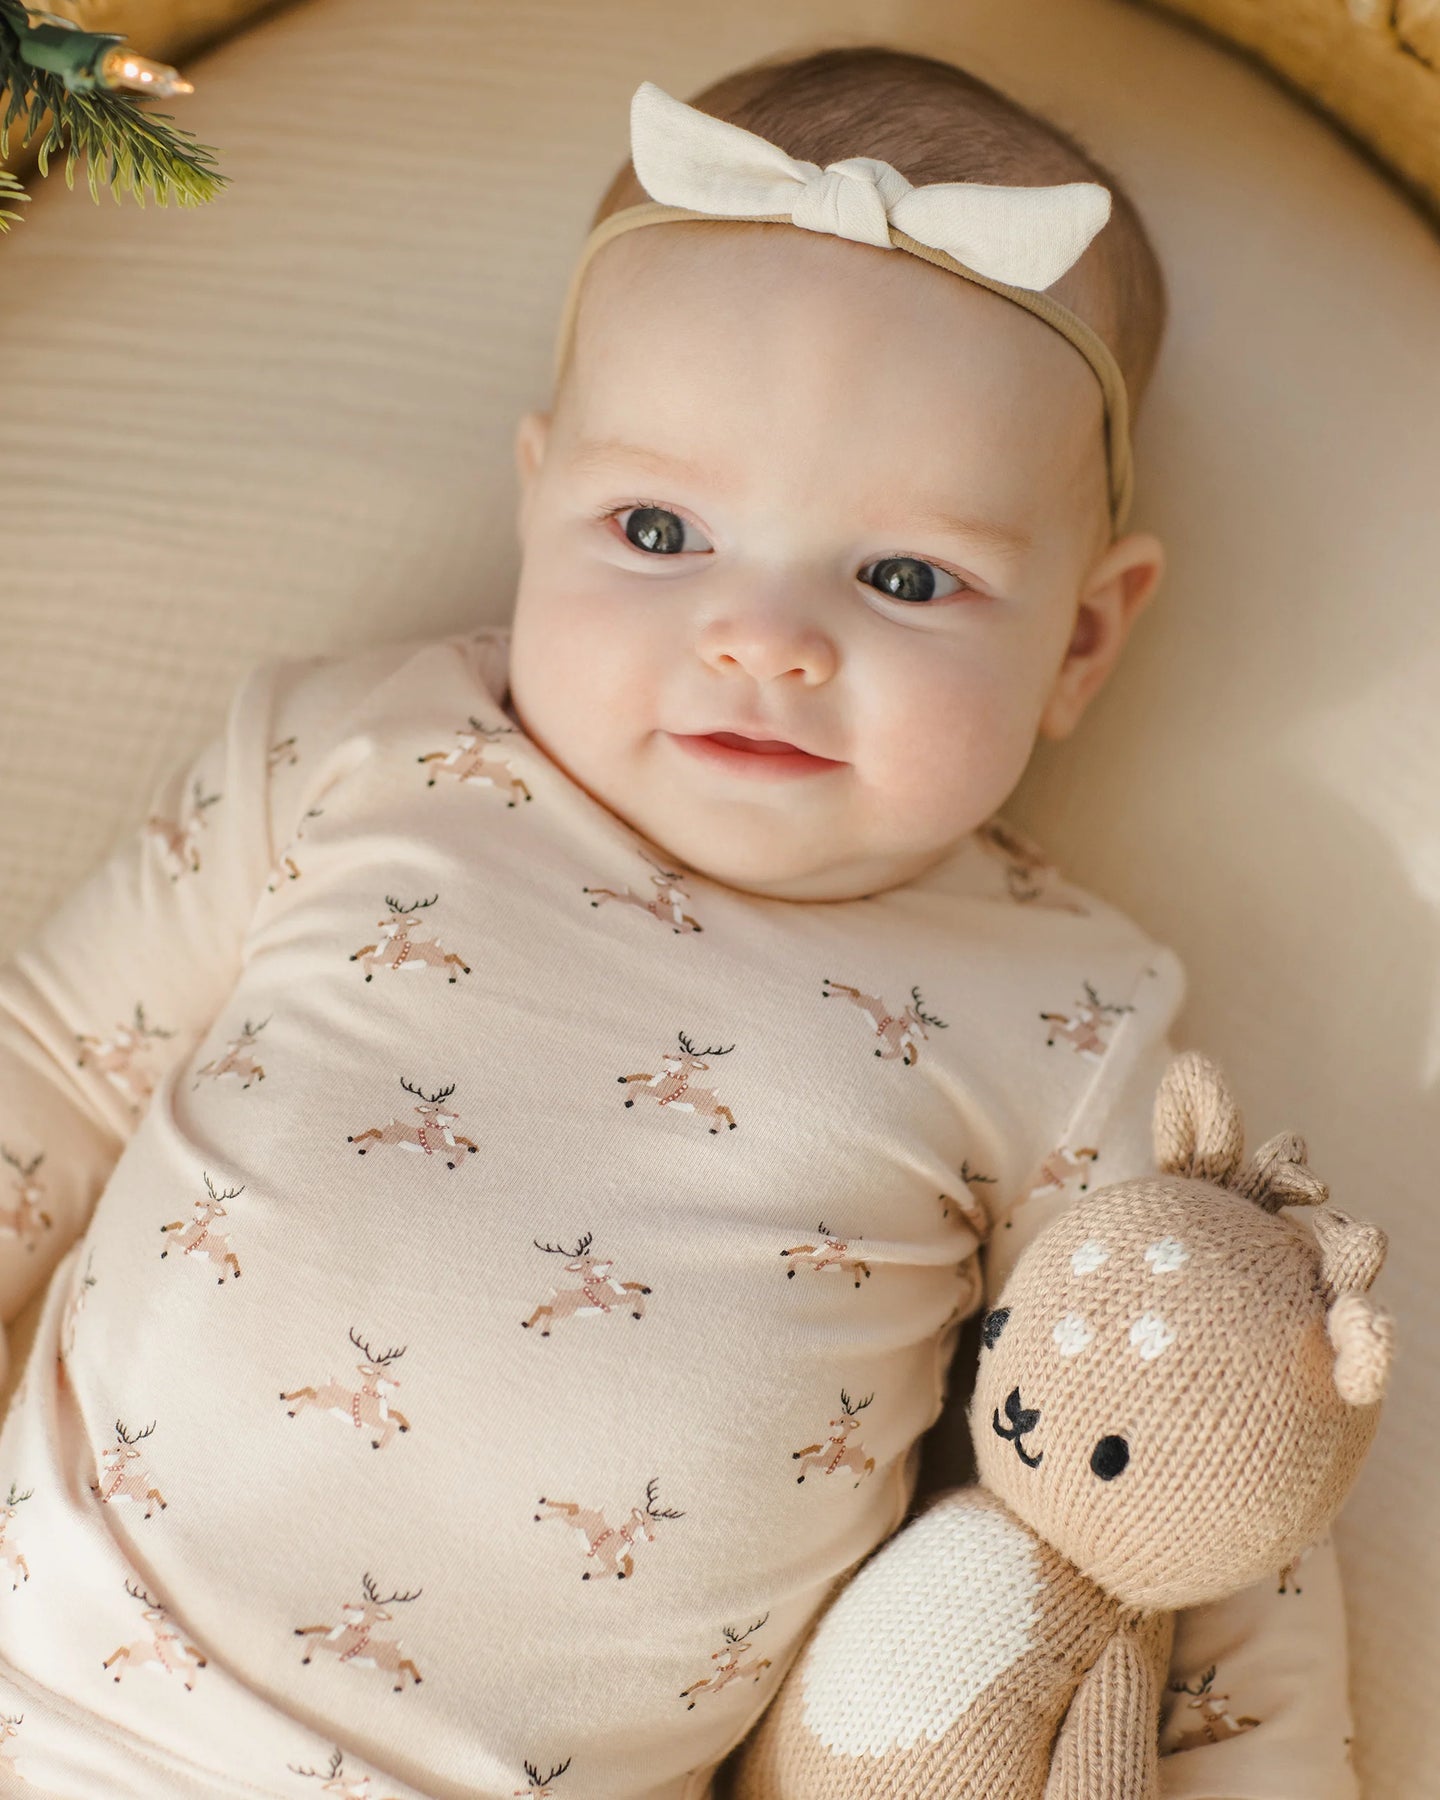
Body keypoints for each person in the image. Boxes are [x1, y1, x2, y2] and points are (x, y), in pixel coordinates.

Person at [0, 43, 1358, 1800]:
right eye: (658, 529)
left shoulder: (1068, 1020)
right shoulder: (356, 753)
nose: (761, 638)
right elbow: (50, 1070)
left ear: (1082, 641)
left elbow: (1193, 1472)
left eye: (904, 577)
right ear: (535, 497)